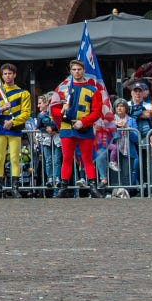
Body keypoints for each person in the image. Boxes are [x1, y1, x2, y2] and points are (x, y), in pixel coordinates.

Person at [51, 59, 104, 198]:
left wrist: (83, 122)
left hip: (84, 128)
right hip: (67, 127)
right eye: (74, 70)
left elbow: (97, 112)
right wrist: (62, 111)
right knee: (67, 158)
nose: (77, 72)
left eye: (79, 69)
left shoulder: (93, 90)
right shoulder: (62, 89)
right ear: (70, 71)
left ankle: (93, 187)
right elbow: (53, 110)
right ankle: (63, 188)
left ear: (83, 70)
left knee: (87, 158)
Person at [0, 63, 31, 199]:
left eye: (10, 74)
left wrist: (13, 122)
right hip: (0, 128)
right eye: (5, 74)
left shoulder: (23, 93)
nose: (7, 76)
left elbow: (26, 113)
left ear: (14, 75)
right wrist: (2, 109)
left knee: (14, 159)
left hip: (14, 129)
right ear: (2, 75)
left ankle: (14, 188)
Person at [112, 100, 140, 189]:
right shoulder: (110, 120)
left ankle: (125, 194)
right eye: (117, 106)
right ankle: (113, 193)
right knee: (113, 175)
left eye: (122, 106)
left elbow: (136, 138)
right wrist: (114, 126)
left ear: (126, 108)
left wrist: (126, 127)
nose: (119, 108)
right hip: (113, 150)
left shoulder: (132, 120)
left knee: (126, 175)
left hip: (127, 150)